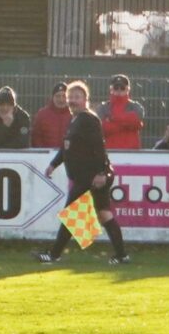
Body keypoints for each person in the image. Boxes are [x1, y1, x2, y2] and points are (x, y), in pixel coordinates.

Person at [37, 80, 130, 265]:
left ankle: (54, 255)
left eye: (77, 97)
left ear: (86, 99)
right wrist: (54, 164)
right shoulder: (75, 119)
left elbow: (99, 147)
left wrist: (101, 172)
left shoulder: (88, 119)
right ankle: (122, 255)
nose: (72, 100)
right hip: (89, 176)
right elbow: (67, 147)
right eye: (70, 97)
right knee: (104, 214)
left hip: (89, 177)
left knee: (71, 214)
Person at [98, 74, 145, 150]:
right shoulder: (103, 107)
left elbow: (136, 121)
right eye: (116, 87)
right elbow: (102, 127)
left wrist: (112, 118)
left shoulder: (136, 106)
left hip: (131, 152)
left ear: (128, 89)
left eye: (122, 88)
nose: (119, 90)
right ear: (111, 89)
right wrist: (127, 123)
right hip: (109, 151)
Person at [31, 82, 72, 149]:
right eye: (57, 96)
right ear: (52, 97)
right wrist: (42, 151)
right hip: (47, 153)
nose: (61, 99)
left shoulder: (74, 114)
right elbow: (36, 136)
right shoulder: (42, 114)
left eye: (64, 96)